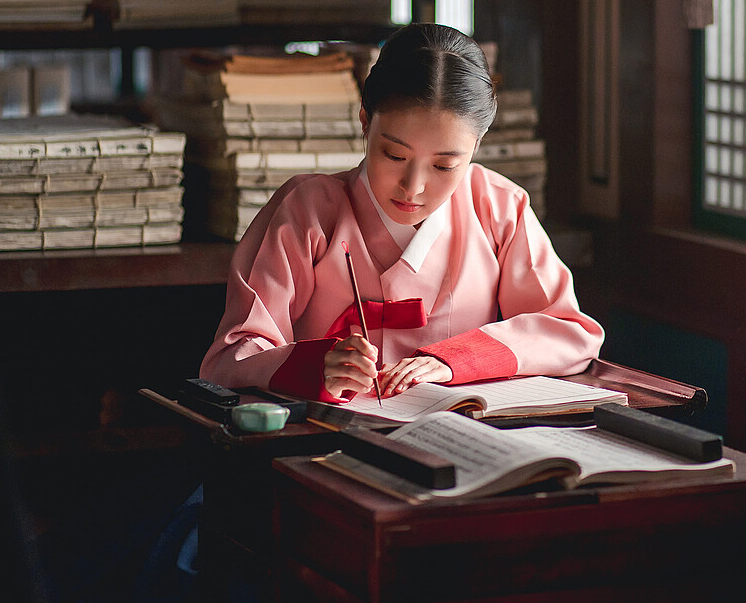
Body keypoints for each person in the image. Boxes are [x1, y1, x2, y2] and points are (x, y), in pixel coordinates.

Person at [201, 23, 604, 402]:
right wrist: (314, 365)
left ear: (476, 147)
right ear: (365, 122)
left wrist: (452, 361)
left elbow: (568, 331)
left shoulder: (498, 207)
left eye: (444, 165)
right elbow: (231, 358)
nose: (413, 187)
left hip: (457, 436)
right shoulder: (307, 210)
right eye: (393, 154)